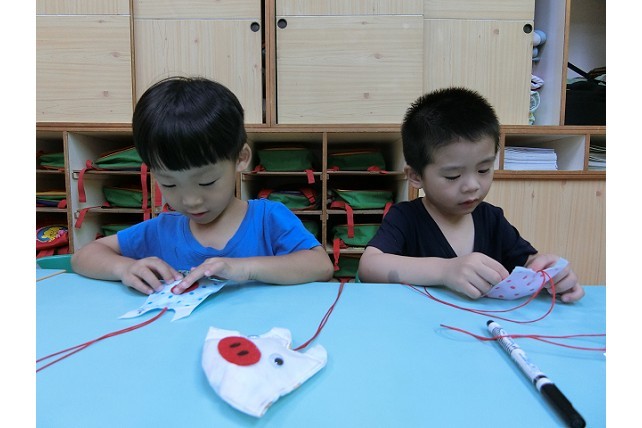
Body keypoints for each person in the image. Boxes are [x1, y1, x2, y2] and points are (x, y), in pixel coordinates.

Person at [72, 76, 334, 294]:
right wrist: (124, 268)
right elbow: (83, 256)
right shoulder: (162, 229)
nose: (191, 201)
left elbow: (320, 266)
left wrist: (244, 268)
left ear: (241, 158)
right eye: (169, 184)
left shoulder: (268, 219)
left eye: (206, 182)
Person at [357, 87, 584, 303]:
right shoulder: (405, 218)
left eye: (483, 170)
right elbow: (369, 267)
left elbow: (528, 263)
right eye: (453, 176)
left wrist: (549, 273)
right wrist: (445, 270)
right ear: (415, 176)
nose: (472, 186)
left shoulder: (492, 220)